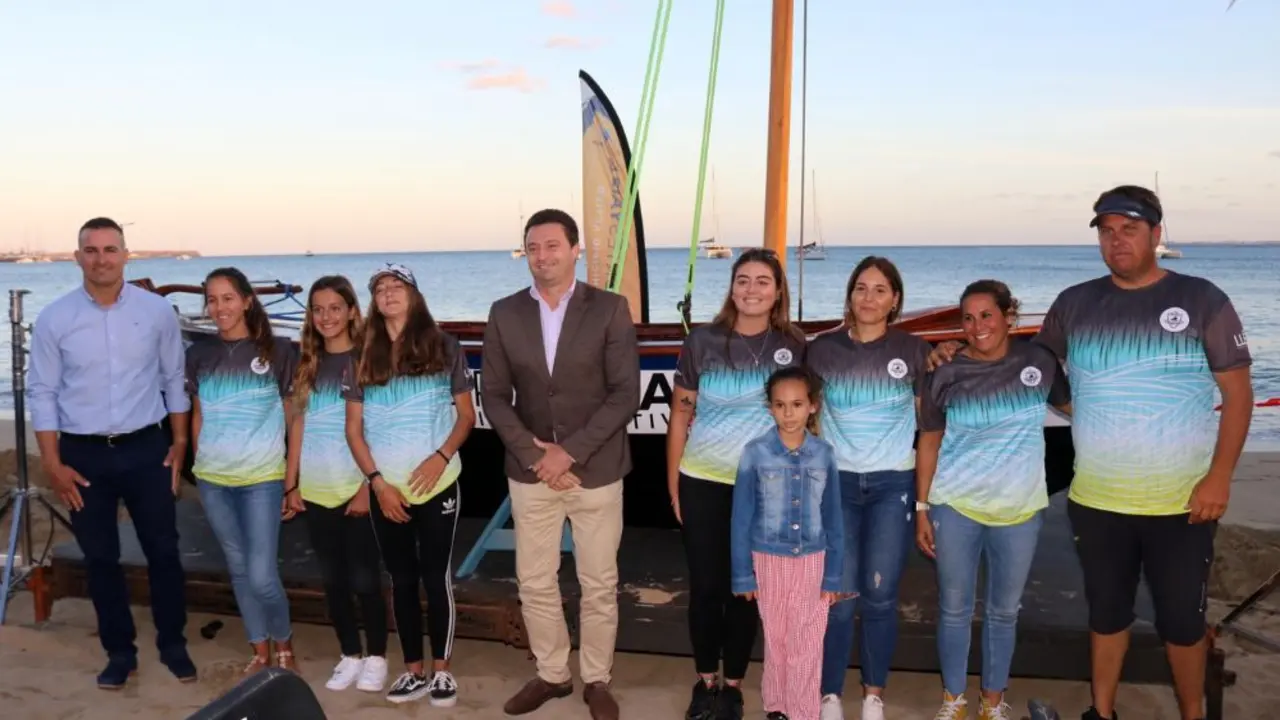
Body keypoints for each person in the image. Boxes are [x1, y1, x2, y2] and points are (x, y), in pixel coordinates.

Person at [928, 187, 1254, 720]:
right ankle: (1101, 713)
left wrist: (1220, 476)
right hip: (1097, 499)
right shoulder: (1075, 303)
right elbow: (1020, 361)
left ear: (1156, 234)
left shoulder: (1202, 299)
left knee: (1182, 622)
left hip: (1181, 500)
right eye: (1106, 231)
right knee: (1106, 615)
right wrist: (958, 348)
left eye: (1129, 229)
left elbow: (1238, 395)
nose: (1116, 240)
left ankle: (1193, 714)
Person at [481, 209, 639, 720]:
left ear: (575, 250)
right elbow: (494, 395)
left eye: (552, 246)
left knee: (599, 583)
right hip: (530, 472)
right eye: (533, 247)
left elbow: (625, 394)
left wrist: (567, 453)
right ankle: (552, 674)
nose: (542, 256)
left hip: (596, 469)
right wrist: (536, 456)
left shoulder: (610, 309)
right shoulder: (504, 313)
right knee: (533, 580)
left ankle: (597, 679)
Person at [27, 217, 195, 689]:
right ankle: (120, 652)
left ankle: (173, 643)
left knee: (164, 550)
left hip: (147, 449)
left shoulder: (156, 312)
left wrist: (180, 443)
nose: (101, 259)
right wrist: (52, 463)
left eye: (109, 249)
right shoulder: (55, 318)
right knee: (100, 557)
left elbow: (173, 378)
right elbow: (42, 392)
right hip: (82, 457)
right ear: (77, 257)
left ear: (125, 255)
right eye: (91, 250)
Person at [915, 280, 1071, 720]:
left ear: (1009, 316)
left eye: (987, 315)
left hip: (1020, 510)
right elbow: (929, 442)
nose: (977, 325)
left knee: (1004, 613)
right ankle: (953, 701)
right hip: (955, 506)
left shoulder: (1038, 362)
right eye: (968, 318)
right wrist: (922, 508)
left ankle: (992, 703)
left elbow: (1078, 407)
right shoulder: (945, 371)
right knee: (954, 610)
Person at [667, 247, 807, 720]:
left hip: (765, 488)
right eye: (742, 279)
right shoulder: (703, 341)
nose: (751, 289)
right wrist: (673, 484)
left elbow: (806, 417)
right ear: (731, 288)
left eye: (763, 281)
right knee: (706, 587)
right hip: (702, 479)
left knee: (747, 590)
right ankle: (705, 680)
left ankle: (733, 686)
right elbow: (680, 415)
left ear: (778, 291)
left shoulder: (794, 345)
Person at [805, 256, 931, 720]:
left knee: (879, 596)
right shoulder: (822, 350)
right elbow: (805, 416)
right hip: (836, 486)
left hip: (891, 485)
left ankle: (873, 694)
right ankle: (830, 694)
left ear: (895, 299)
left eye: (880, 290)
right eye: (861, 288)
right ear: (850, 294)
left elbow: (930, 428)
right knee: (839, 599)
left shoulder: (915, 351)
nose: (869, 298)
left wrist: (924, 501)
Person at [344, 262, 475, 707]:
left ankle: (442, 671)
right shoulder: (361, 355)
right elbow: (354, 431)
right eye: (380, 288)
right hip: (388, 491)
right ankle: (413, 671)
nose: (388, 293)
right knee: (401, 579)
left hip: (438, 485)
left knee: (436, 577)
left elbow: (466, 417)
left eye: (397, 285)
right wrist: (378, 484)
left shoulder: (444, 347)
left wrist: (441, 457)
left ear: (414, 295)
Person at [186, 267, 299, 674]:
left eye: (228, 298)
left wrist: (291, 481)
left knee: (262, 574)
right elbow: (198, 415)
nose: (220, 307)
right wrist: (200, 464)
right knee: (237, 568)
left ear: (247, 301)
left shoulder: (279, 352)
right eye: (212, 299)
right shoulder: (198, 355)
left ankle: (284, 644)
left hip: (262, 480)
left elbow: (294, 419)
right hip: (213, 481)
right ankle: (260, 649)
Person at [282, 275, 388, 693]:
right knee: (333, 579)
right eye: (318, 309)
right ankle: (350, 653)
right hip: (316, 488)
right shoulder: (306, 363)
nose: (326, 317)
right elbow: (297, 427)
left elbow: (378, 428)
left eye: (334, 308)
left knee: (365, 578)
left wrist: (367, 486)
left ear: (351, 311)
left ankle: (376, 655)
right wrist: (291, 484)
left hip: (356, 487)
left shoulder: (367, 361)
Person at [730, 365, 844, 720]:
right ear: (770, 408)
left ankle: (803, 712)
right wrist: (742, 575)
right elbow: (741, 517)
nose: (788, 413)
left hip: (813, 560)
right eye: (780, 405)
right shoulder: (755, 453)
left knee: (807, 641)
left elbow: (834, 518)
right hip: (767, 559)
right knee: (777, 639)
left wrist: (834, 576)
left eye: (797, 404)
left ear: (812, 406)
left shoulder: (824, 454)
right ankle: (777, 708)